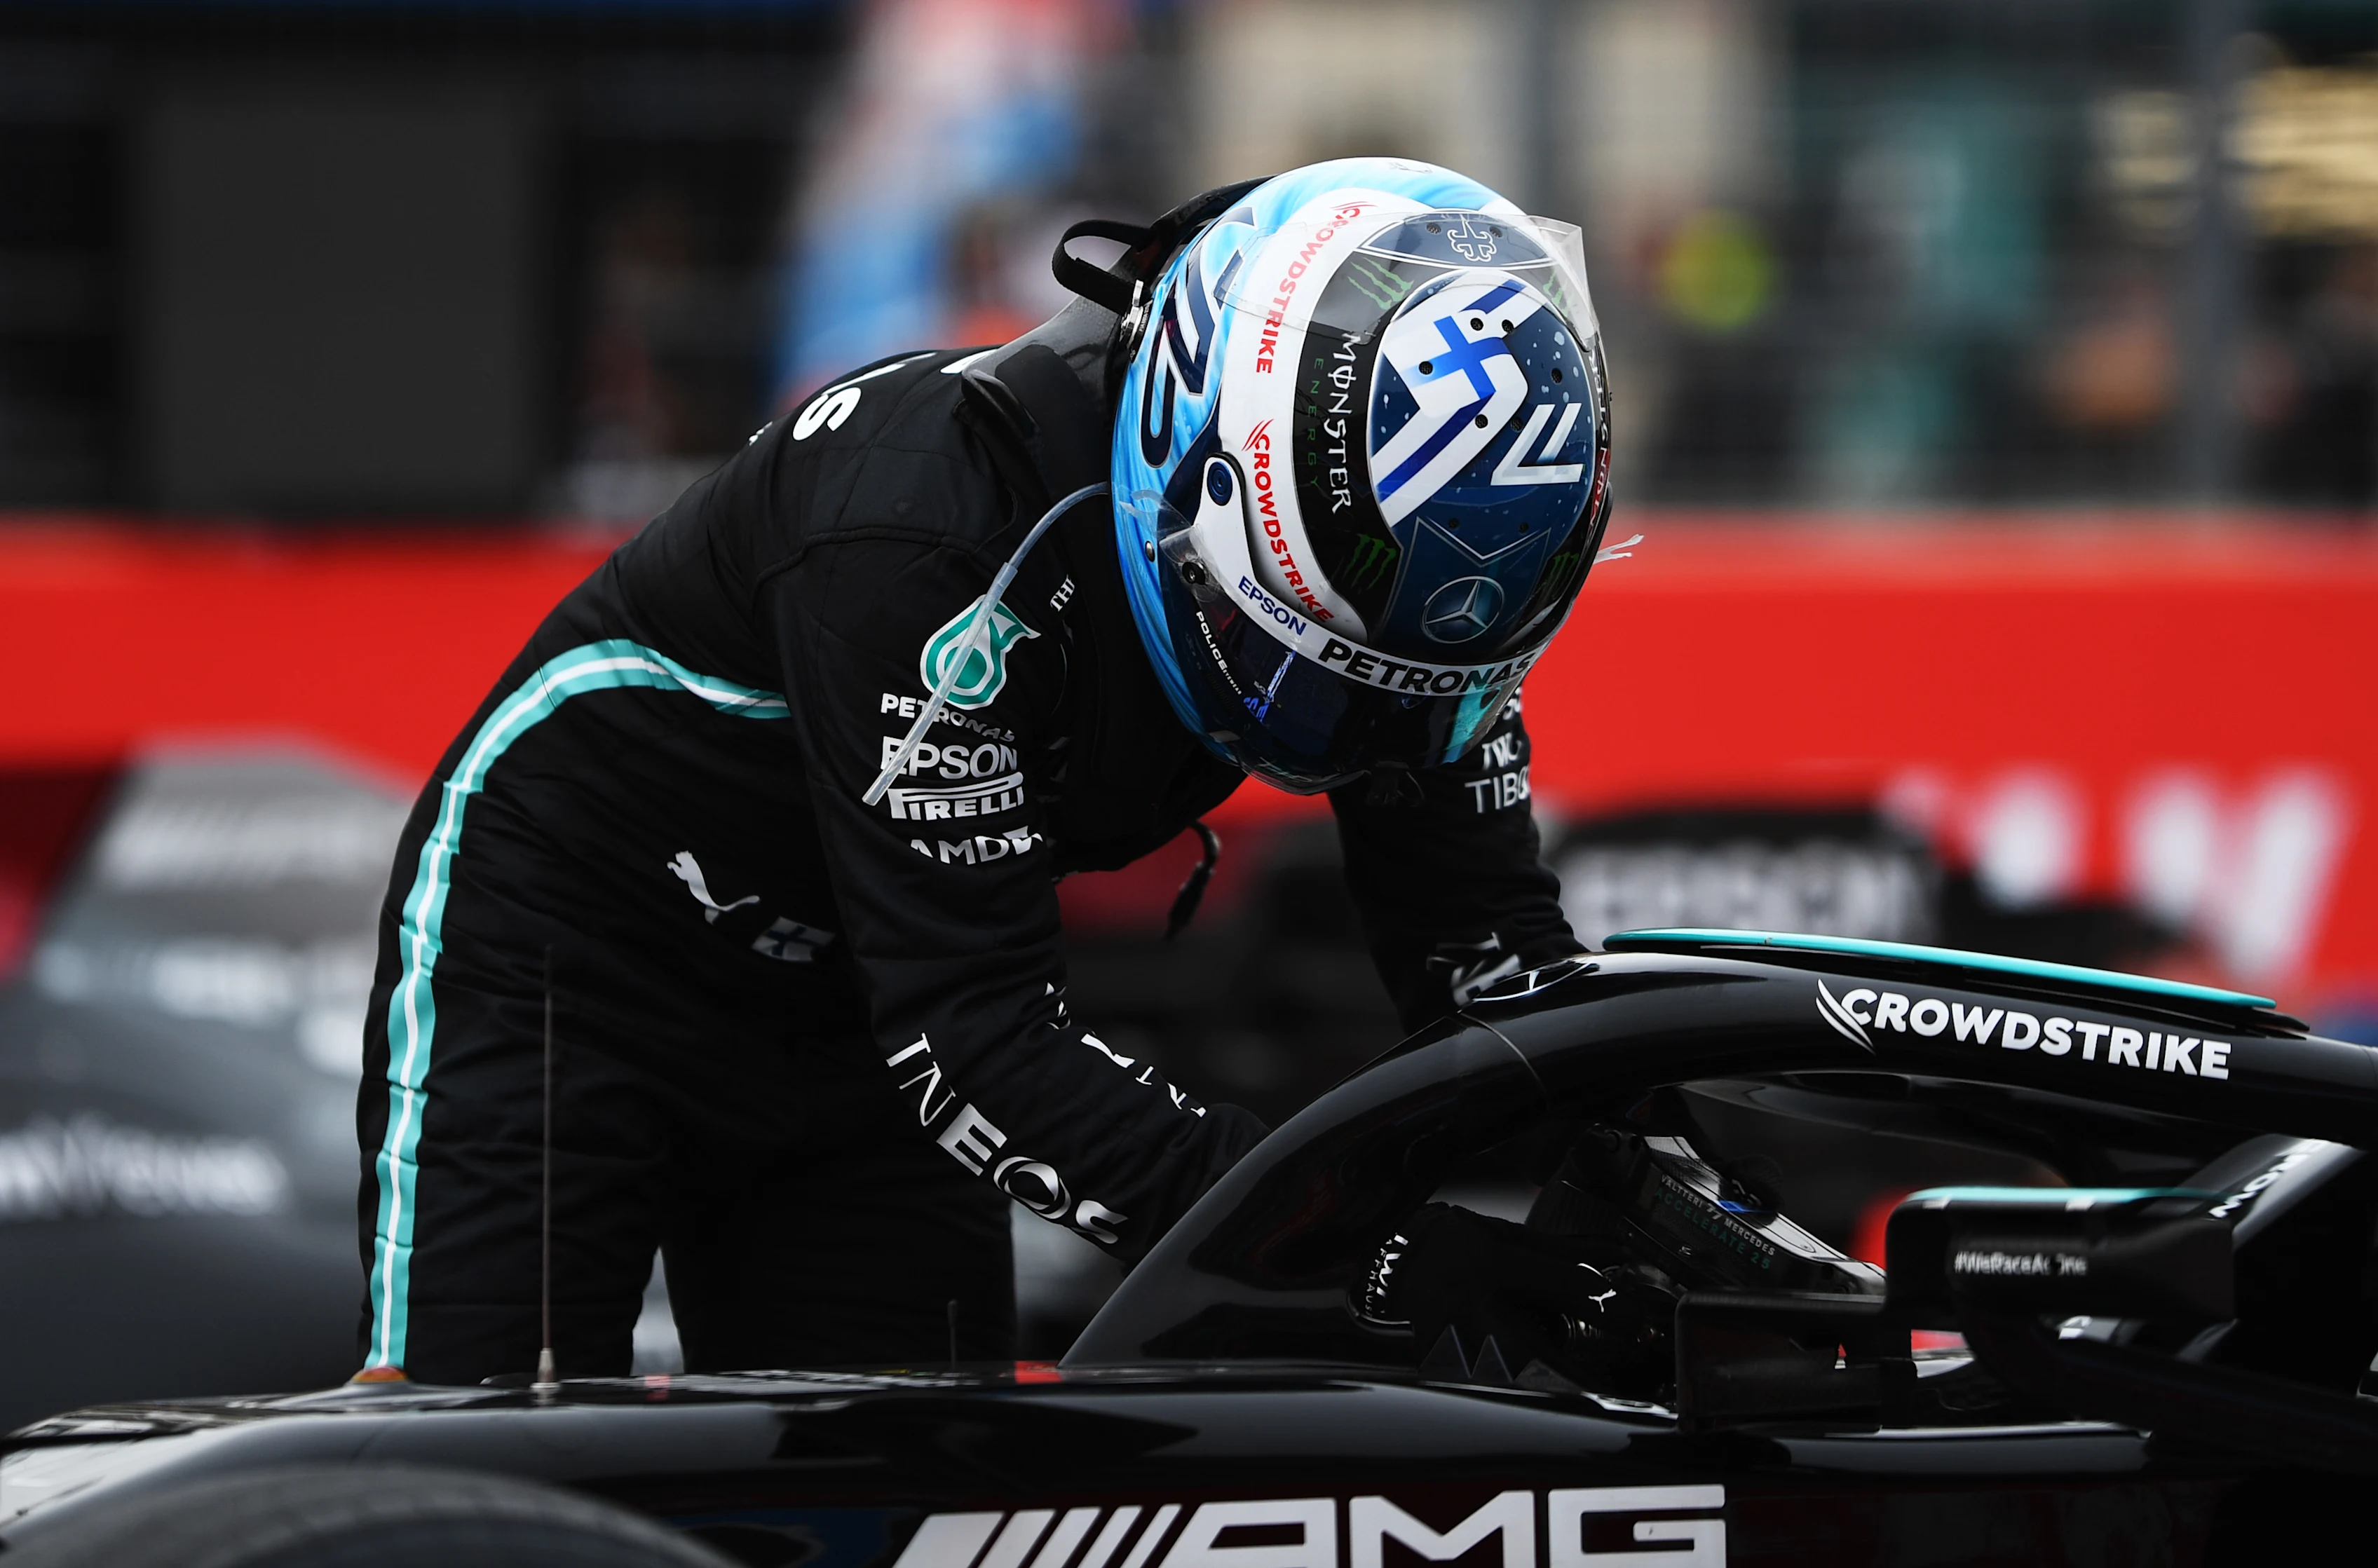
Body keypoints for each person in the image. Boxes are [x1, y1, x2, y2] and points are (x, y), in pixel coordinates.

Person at [353, 157, 1615, 1384]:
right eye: (1304, 658)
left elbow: (1484, 946)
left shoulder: (1422, 607)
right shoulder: (919, 533)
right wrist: (1373, 1255)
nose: (1338, 724)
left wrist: (1665, 1181)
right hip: (573, 958)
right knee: (477, 1447)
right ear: (1191, 456)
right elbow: (980, 1038)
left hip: (864, 997)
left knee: (901, 1505)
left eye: (1386, 683)